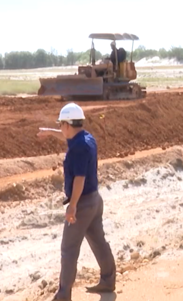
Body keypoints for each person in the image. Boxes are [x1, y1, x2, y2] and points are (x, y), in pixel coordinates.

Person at [37, 103, 116, 301]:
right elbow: (66, 136)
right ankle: (108, 280)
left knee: (68, 248)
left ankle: (64, 294)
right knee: (98, 241)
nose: (61, 128)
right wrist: (49, 132)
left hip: (82, 204)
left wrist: (72, 206)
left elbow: (79, 179)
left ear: (67, 124)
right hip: (95, 200)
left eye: (61, 124)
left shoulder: (78, 149)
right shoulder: (86, 138)